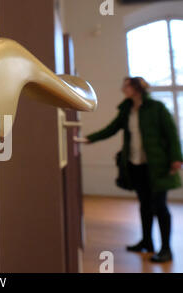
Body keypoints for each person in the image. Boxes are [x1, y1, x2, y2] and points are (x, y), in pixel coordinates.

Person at [78, 77, 183, 263]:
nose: (122, 89)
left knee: (160, 206)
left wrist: (176, 158)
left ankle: (166, 249)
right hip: (136, 165)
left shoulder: (157, 108)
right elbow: (111, 129)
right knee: (144, 205)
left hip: (157, 165)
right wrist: (89, 138)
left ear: (135, 88)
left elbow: (171, 133)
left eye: (125, 86)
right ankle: (147, 242)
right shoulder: (127, 110)